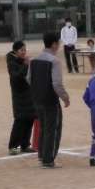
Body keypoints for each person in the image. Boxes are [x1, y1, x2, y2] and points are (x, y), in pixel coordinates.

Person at [30, 32, 70, 169]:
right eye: (58, 43)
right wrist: (65, 97)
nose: (59, 45)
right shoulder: (54, 61)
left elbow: (29, 79)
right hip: (50, 99)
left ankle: (42, 155)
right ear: (54, 44)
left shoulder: (34, 60)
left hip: (37, 98)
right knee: (53, 129)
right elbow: (57, 84)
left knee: (43, 127)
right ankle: (48, 159)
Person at [6, 40, 36, 155]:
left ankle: (25, 144)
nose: (24, 52)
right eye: (21, 50)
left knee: (30, 118)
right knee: (20, 120)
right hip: (20, 94)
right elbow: (17, 77)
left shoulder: (23, 61)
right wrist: (25, 65)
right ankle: (13, 146)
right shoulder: (12, 62)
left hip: (29, 92)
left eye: (25, 50)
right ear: (15, 51)